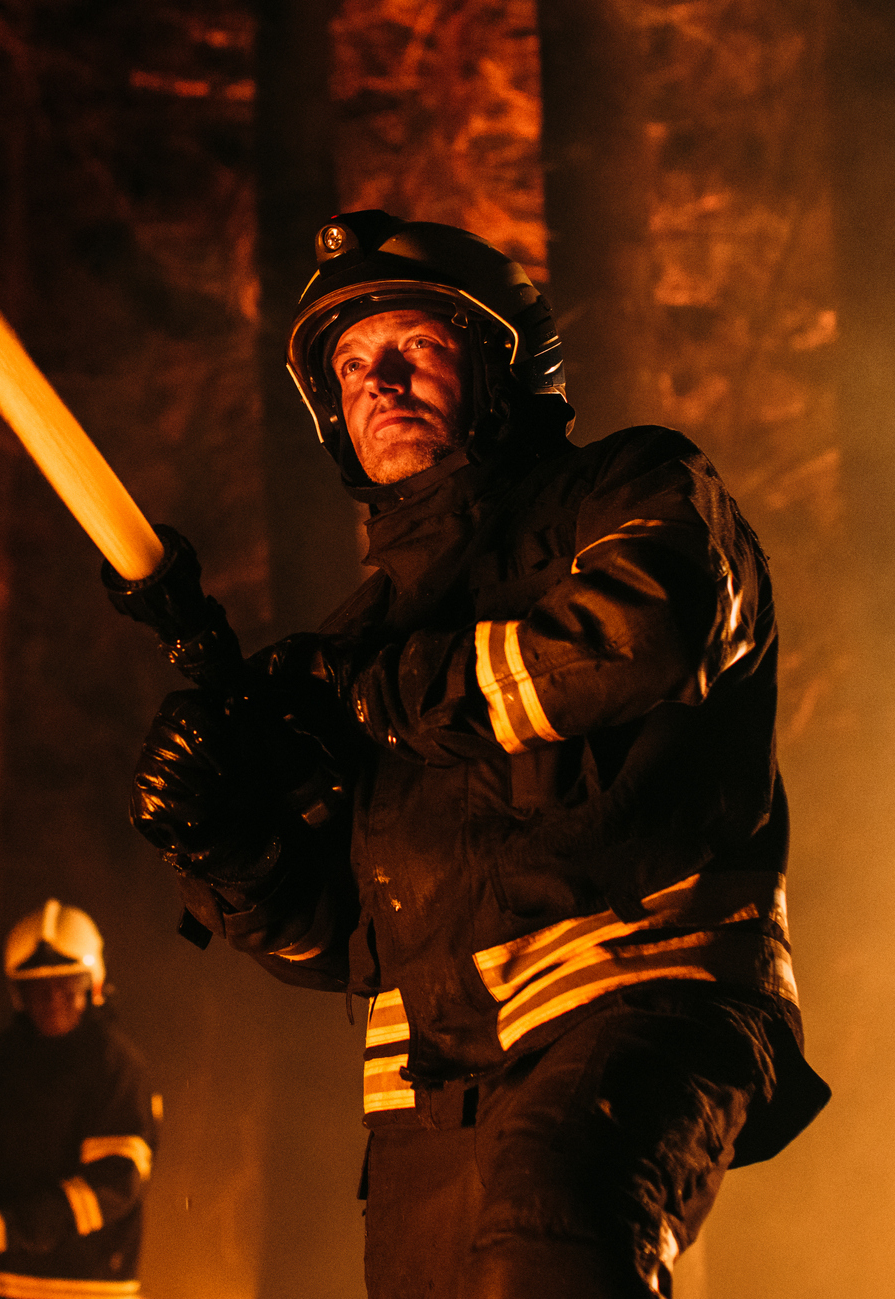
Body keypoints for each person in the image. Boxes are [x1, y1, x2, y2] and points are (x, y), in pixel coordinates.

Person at [113, 210, 831, 1298]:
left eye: (416, 346)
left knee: (550, 1246)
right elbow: (344, 939)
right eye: (350, 365)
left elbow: (636, 639)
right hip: (430, 1099)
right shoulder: (369, 627)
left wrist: (360, 691)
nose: (379, 380)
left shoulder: (632, 491)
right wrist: (228, 848)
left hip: (634, 1007)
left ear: (501, 363)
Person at [0, 900, 160, 1298]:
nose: (52, 1001)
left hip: (81, 1289)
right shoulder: (0, 1062)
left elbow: (113, 1185)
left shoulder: (115, 1069)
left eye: (68, 987)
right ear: (18, 995)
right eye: (37, 989)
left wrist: (6, 1228)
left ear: (94, 986)